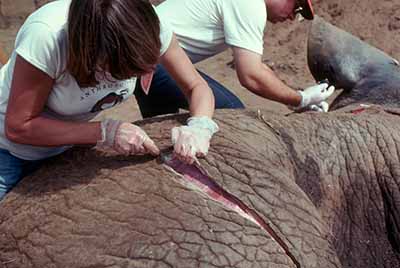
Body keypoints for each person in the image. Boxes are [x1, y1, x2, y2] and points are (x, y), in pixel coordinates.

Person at [0, 0, 219, 200]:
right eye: (119, 72)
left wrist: (200, 126)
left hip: (64, 144)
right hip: (7, 149)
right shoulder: (47, 37)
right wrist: (105, 132)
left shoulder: (147, 26)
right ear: (89, 52)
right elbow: (19, 126)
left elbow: (196, 86)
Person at [134, 0, 334, 118]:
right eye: (296, 7)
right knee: (233, 114)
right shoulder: (251, 5)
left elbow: (258, 68)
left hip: (137, 57)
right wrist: (300, 99)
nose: (292, 16)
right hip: (153, 61)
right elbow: (251, 75)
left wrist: (297, 97)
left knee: (161, 139)